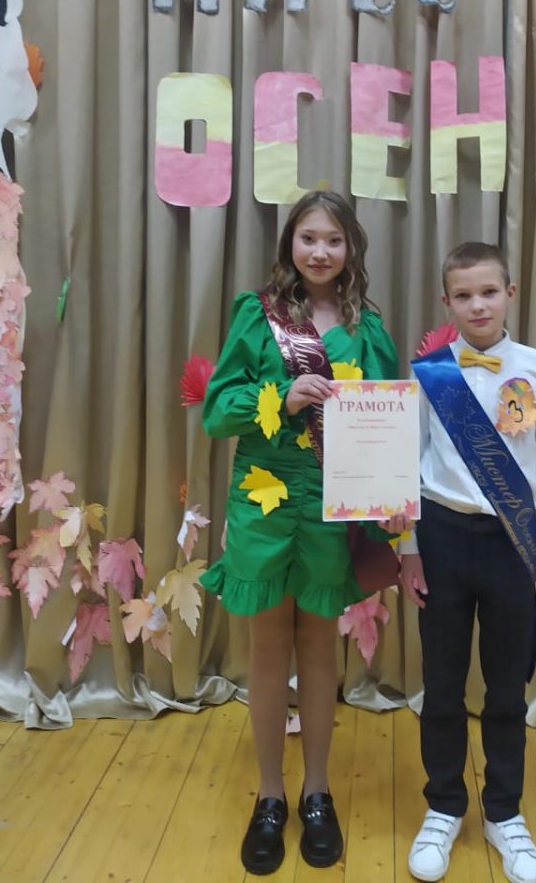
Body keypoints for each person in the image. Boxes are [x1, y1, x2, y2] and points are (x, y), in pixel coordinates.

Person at [200, 190, 399, 875]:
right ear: (290, 242)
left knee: (319, 646)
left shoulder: (366, 325)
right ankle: (269, 796)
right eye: (309, 237)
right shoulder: (257, 316)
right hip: (264, 500)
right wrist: (279, 397)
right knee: (266, 649)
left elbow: (385, 420)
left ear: (351, 249)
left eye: (334, 240)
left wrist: (388, 503)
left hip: (331, 506)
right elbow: (217, 412)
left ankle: (317, 792)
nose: (320, 251)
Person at [401, 243, 536, 883]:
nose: (477, 305)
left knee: (508, 686)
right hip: (442, 539)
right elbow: (406, 465)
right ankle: (444, 806)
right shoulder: (431, 373)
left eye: (488, 292)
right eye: (463, 295)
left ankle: (504, 812)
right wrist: (407, 551)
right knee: (443, 685)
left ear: (510, 292)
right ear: (446, 302)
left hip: (513, 543)